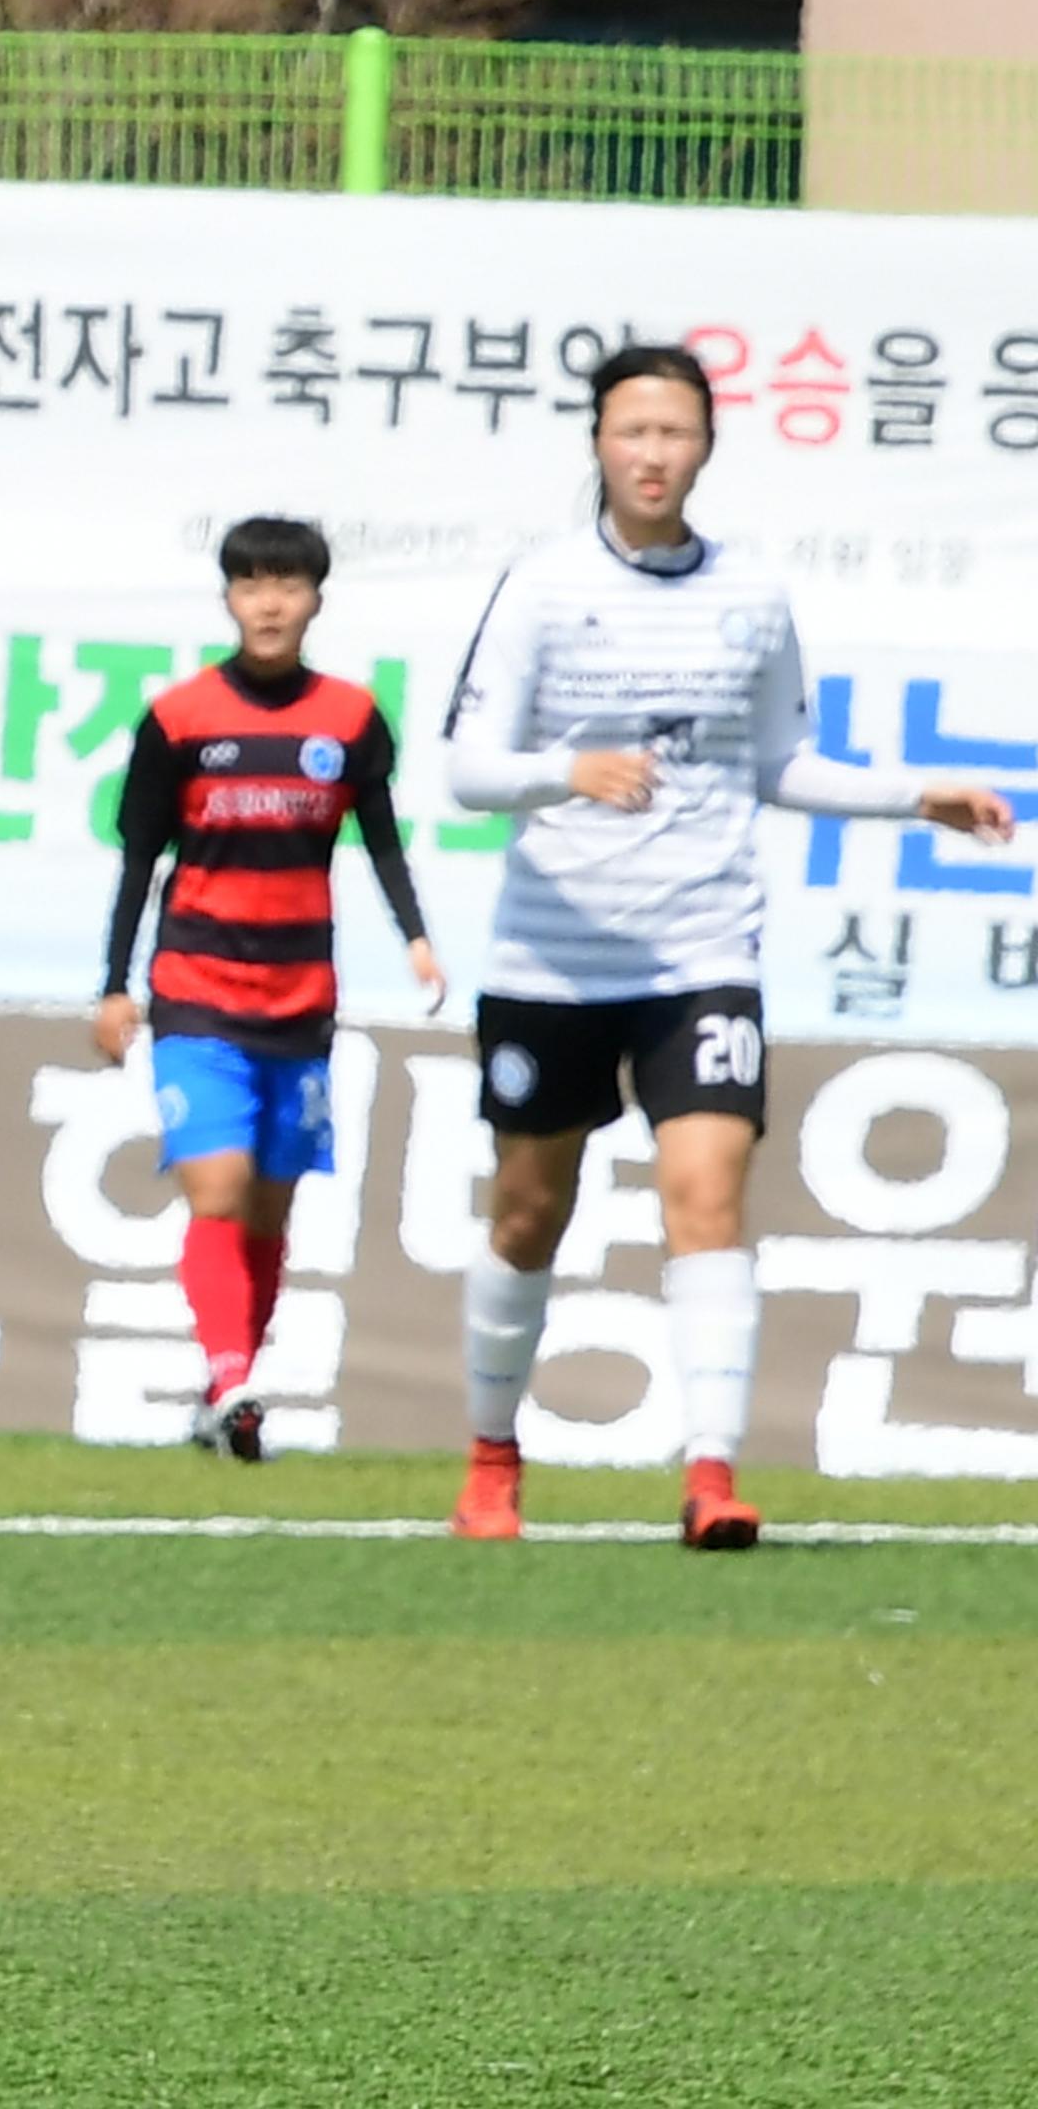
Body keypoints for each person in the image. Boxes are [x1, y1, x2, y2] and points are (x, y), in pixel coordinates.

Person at [438, 345, 1014, 1547]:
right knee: (524, 1215)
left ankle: (709, 1476)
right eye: (630, 432)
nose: (651, 455)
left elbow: (777, 765)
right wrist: (566, 769)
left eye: (674, 434)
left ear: (705, 447)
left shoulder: (748, 593)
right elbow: (467, 769)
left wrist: (917, 797)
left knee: (705, 1195)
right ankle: (491, 1458)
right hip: (549, 960)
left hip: (700, 953)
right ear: (596, 443)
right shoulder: (541, 585)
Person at [92, 515, 446, 1460]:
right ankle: (229, 1373)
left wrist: (416, 938)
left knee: (271, 1206)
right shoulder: (178, 719)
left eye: (288, 585)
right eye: (253, 585)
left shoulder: (352, 721)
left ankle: (229, 1382)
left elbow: (378, 837)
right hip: (196, 986)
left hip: (301, 998)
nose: (271, 603)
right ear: (229, 598)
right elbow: (138, 857)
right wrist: (114, 985)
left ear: (316, 599)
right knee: (219, 1186)